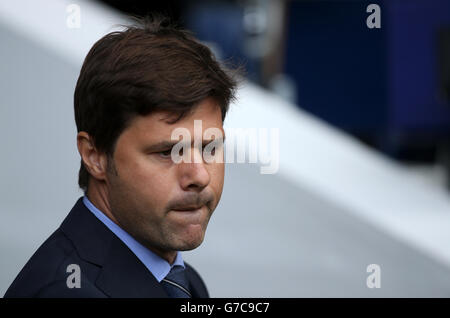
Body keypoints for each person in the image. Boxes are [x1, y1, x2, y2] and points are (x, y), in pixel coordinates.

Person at [4, 15, 237, 298]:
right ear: (95, 156)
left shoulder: (183, 280)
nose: (199, 176)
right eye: (166, 152)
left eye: (209, 148)